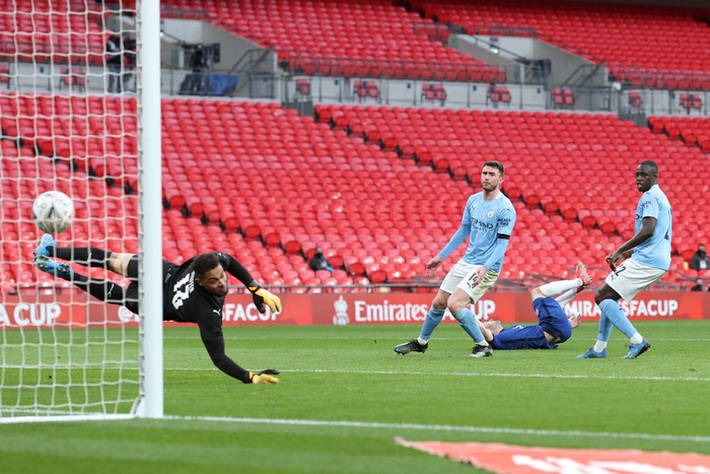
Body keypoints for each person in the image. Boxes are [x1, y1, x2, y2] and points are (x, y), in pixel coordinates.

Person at [32, 234, 282, 384]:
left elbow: (218, 357)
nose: (221, 283)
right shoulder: (207, 299)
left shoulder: (209, 289)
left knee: (115, 286)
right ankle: (51, 252)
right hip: (161, 282)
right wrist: (254, 288)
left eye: (221, 277)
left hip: (155, 298)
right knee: (111, 260)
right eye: (214, 280)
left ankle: (63, 269)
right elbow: (219, 358)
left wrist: (255, 288)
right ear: (199, 279)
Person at [394, 160, 516, 358]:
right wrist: (441, 257)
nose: (486, 177)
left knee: (455, 304)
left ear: (500, 179)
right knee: (439, 302)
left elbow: (502, 245)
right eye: (484, 173)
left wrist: (484, 268)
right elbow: (463, 231)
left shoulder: (505, 208)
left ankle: (483, 345)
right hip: (467, 261)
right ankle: (421, 343)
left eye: (491, 174)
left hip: (486, 267)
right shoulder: (473, 201)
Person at [578, 160, 672, 360]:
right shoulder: (662, 197)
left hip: (647, 260)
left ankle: (637, 341)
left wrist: (620, 249)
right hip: (655, 258)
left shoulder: (649, 197)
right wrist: (625, 254)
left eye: (644, 175)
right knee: (608, 296)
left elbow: (648, 230)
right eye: (637, 175)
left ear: (655, 177)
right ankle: (599, 348)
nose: (639, 179)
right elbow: (654, 237)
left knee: (601, 296)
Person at [478, 262, 591, 350]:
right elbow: (480, 328)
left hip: (556, 331)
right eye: (486, 323)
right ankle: (579, 281)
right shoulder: (498, 340)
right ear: (489, 332)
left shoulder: (509, 330)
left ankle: (576, 289)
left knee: (553, 305)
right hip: (555, 329)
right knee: (536, 293)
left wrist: (567, 326)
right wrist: (461, 309)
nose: (490, 320)